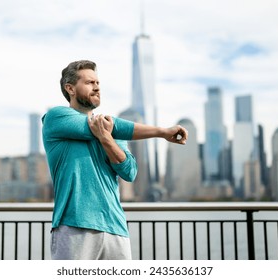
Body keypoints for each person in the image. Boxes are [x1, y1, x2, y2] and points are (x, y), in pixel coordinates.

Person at [42, 60, 188, 260]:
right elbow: (103, 125)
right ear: (70, 88)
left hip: (116, 227)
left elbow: (129, 172)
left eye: (98, 83)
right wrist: (162, 132)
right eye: (89, 82)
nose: (97, 87)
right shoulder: (56, 117)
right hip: (75, 226)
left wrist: (106, 138)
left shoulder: (112, 131)